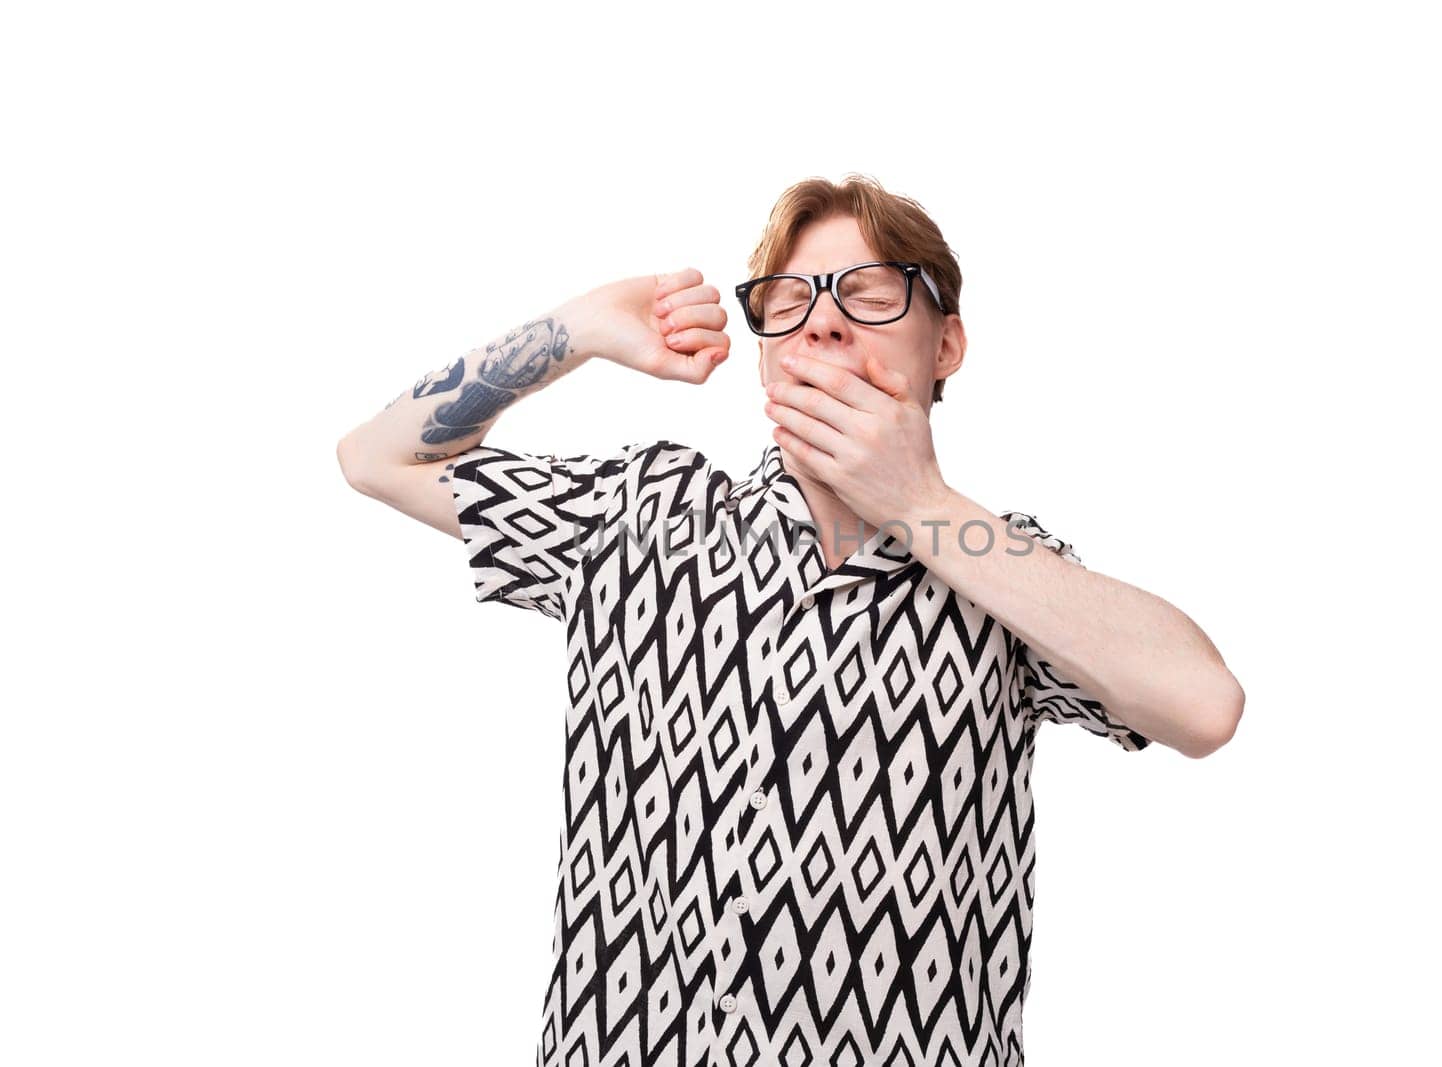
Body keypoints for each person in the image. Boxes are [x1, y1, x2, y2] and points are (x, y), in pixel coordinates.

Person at [337, 173, 1244, 1066]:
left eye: (872, 293)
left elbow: (1205, 707)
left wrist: (921, 503)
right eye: (789, 300)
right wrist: (576, 331)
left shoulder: (1007, 573)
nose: (823, 318)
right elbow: (377, 458)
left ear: (947, 345)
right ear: (767, 348)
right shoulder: (640, 517)